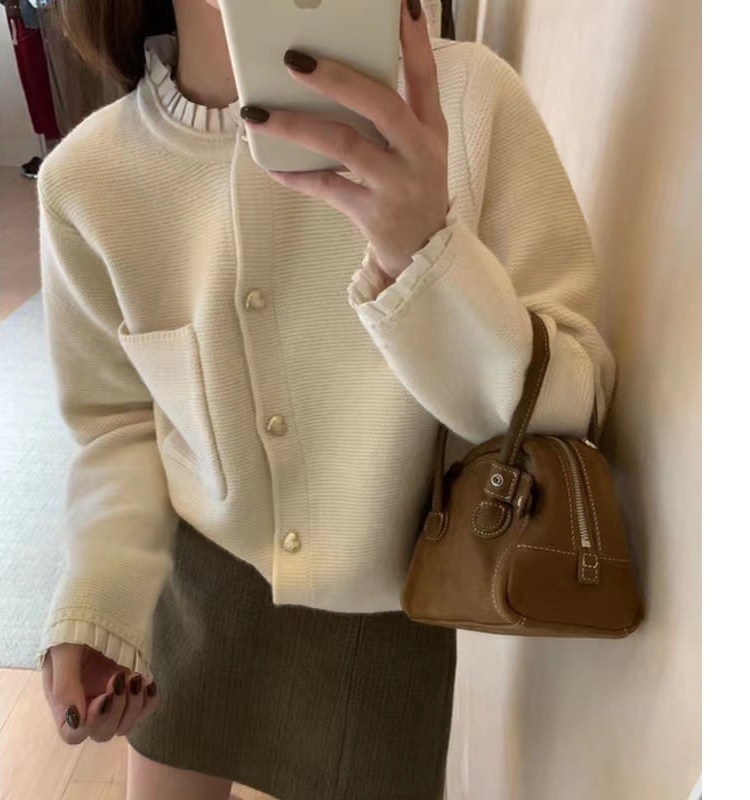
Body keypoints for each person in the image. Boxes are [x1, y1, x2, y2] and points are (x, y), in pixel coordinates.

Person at [36, 1, 617, 798]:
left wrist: (427, 253)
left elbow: (574, 405)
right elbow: (119, 428)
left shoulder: (469, 103)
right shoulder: (87, 178)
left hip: (388, 620)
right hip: (195, 595)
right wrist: (97, 602)